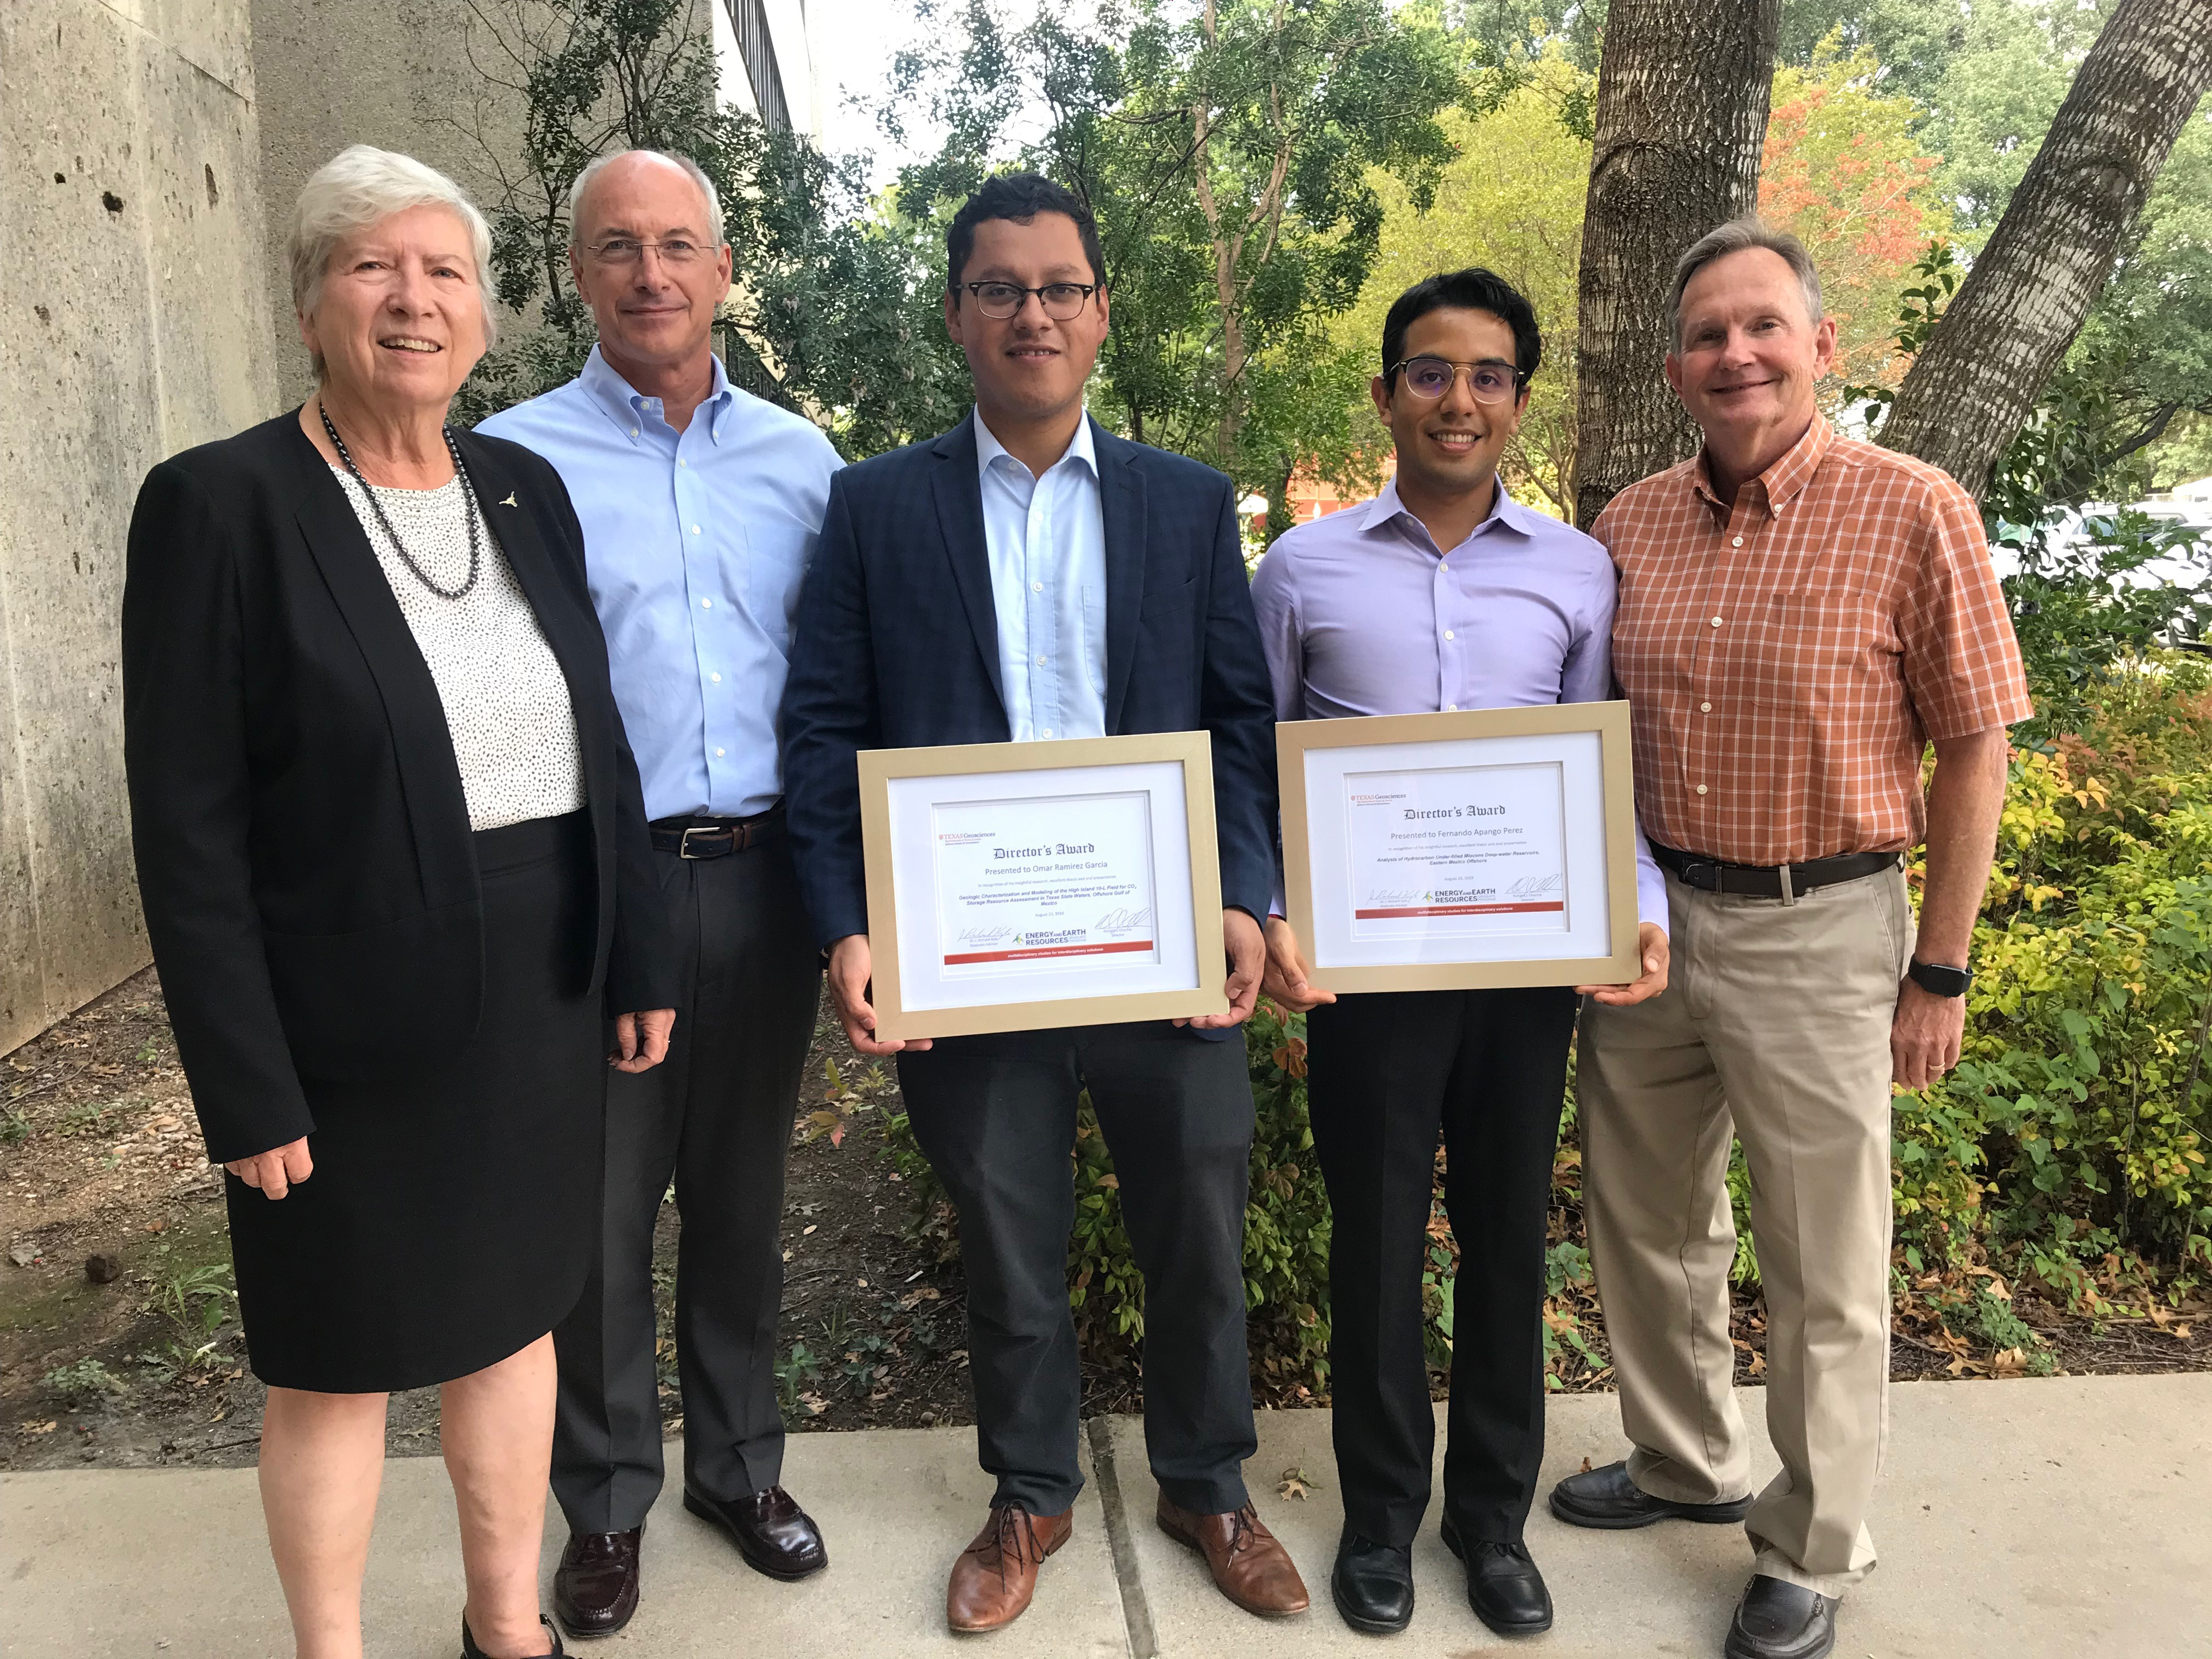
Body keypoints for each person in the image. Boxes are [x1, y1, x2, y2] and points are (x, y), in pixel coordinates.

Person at [121, 145, 675, 1659]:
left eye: (444, 272)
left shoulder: (523, 487)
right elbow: (187, 832)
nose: (413, 299)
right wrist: (244, 1084)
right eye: (374, 266)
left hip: (540, 999)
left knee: (515, 1323)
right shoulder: (220, 505)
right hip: (339, 1036)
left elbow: (597, 741)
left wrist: (637, 948)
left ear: (486, 320)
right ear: (311, 302)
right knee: (335, 1365)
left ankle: (508, 1627)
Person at [780, 171, 1308, 1634]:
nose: (1034, 312)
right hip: (968, 957)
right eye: (1002, 287)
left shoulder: (1186, 506)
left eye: (1060, 287)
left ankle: (1206, 1482)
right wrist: (848, 923)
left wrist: (1246, 892)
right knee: (1009, 1238)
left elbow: (1237, 724)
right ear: (957, 313)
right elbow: (824, 730)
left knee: (1196, 1224)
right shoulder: (876, 507)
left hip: (1166, 950)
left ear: (1100, 313)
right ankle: (1030, 1495)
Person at [1549, 219, 2029, 1659]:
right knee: (1648, 1220)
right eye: (1707, 334)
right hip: (1648, 921)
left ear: (1822, 345)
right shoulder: (1628, 522)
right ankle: (1686, 1462)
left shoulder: (1911, 507)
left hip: (1821, 925)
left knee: (1827, 1256)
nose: (1735, 353)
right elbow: (1585, 728)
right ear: (1678, 366)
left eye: (1763, 326)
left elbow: (1975, 749)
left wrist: (1938, 966)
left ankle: (1813, 1543)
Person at [1252, 269, 1671, 1640]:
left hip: (1520, 972)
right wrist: (1265, 909)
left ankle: (1491, 1523)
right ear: (1386, 395)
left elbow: (1598, 767)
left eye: (1489, 375)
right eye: (1431, 372)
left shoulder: (1576, 567)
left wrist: (1639, 905)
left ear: (1518, 401)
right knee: (1373, 1243)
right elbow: (1254, 764)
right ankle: (1381, 1519)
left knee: (1503, 1242)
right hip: (1365, 980)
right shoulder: (1303, 566)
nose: (1459, 399)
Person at [477, 148, 840, 1635]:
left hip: (764, 885)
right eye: (618, 247)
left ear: (724, 268)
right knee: (601, 1215)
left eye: (680, 244)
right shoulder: (505, 457)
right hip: (596, 897)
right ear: (579, 272)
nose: (651, 274)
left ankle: (740, 1468)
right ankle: (609, 1500)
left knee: (745, 1198)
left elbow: (834, 687)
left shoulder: (804, 461)